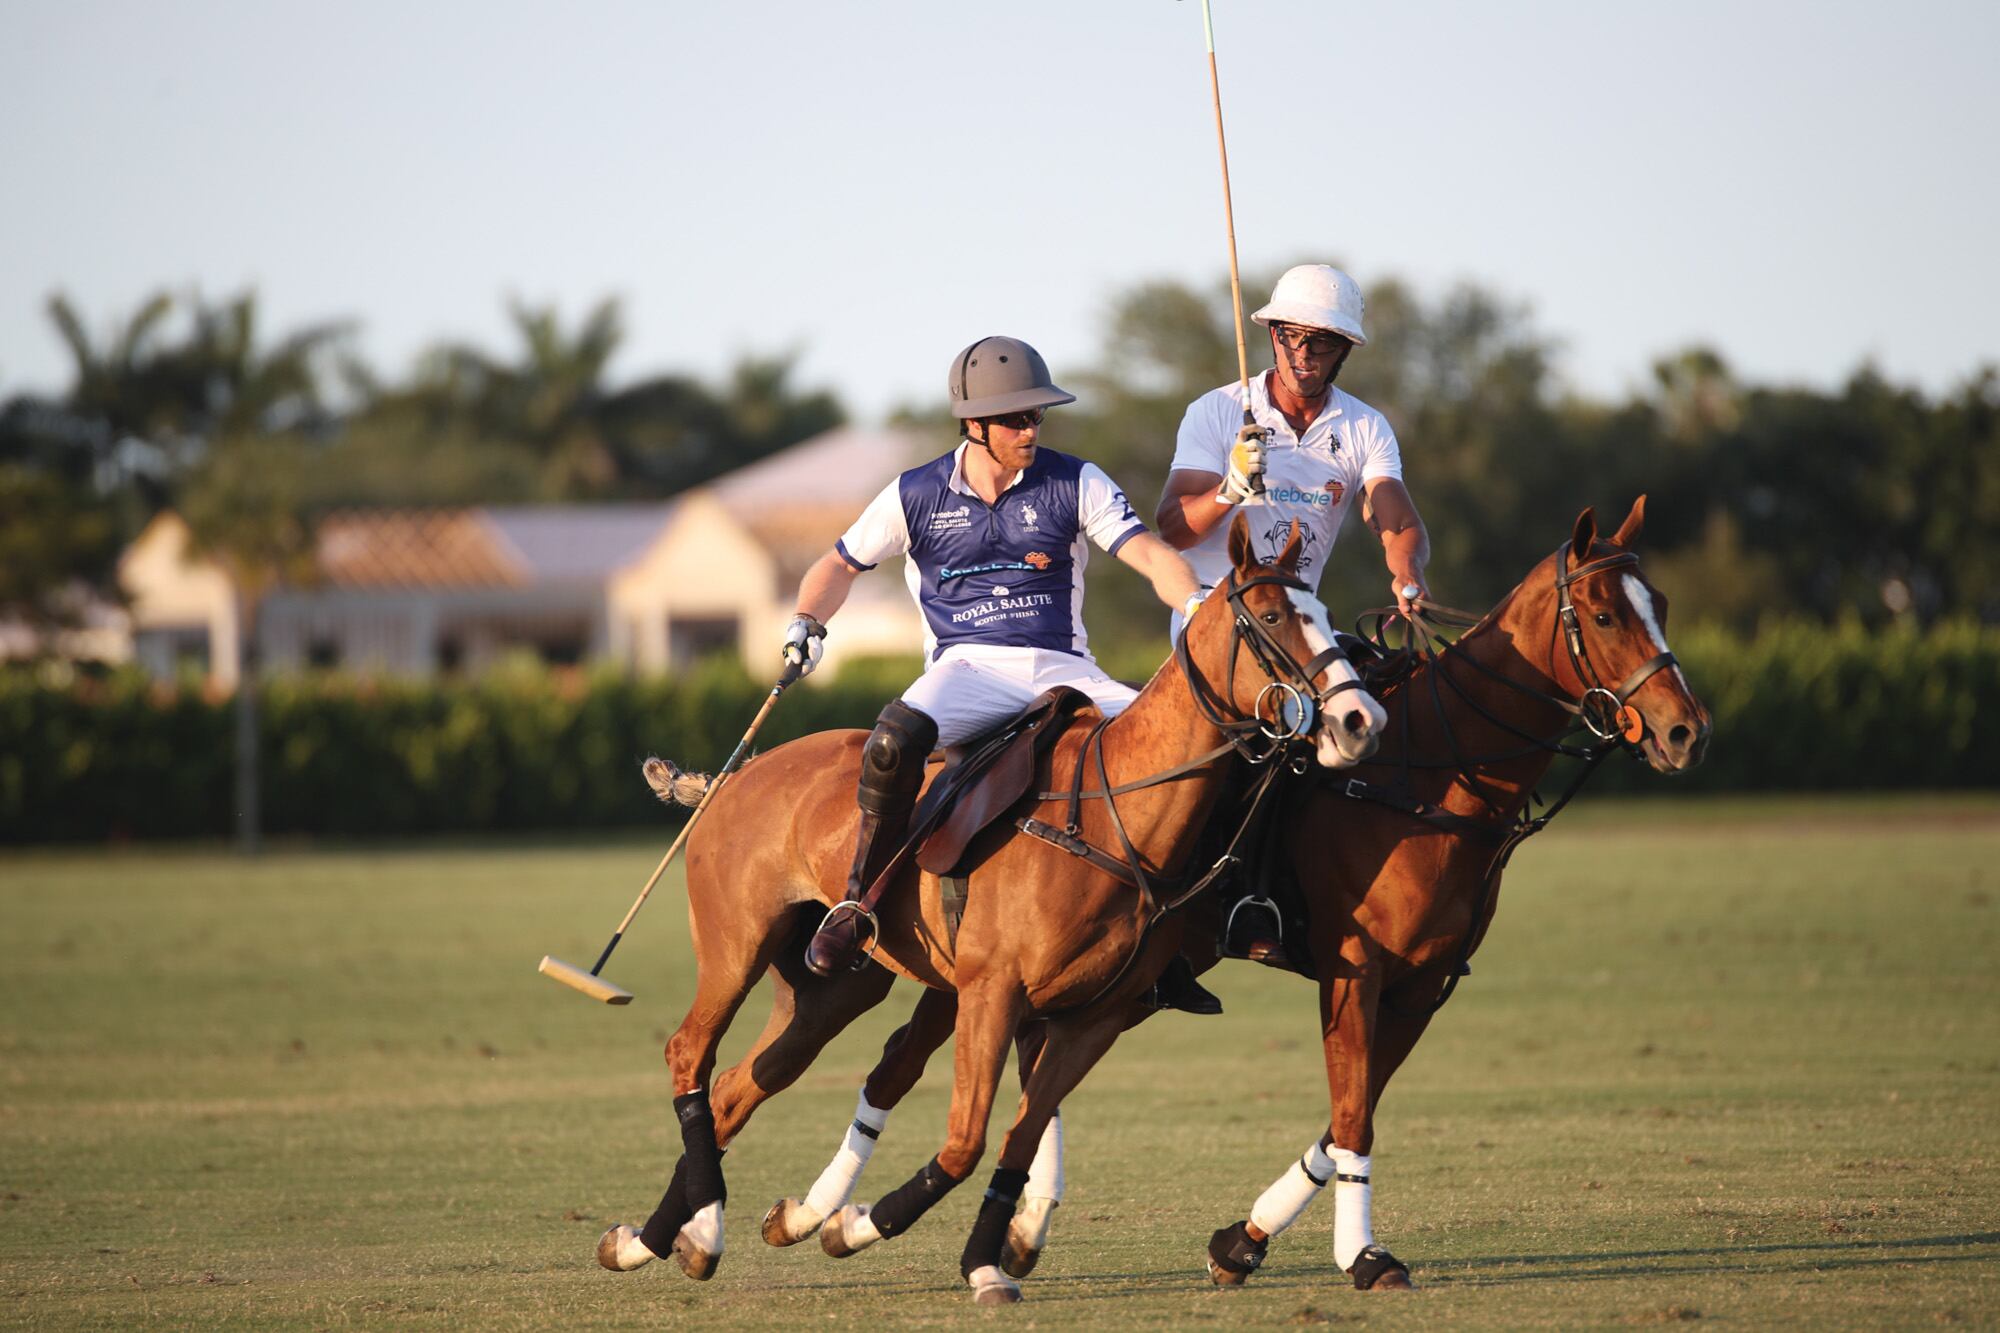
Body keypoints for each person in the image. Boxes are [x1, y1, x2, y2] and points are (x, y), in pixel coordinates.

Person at [786, 335, 1204, 980]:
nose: (1030, 428)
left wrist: (1198, 602)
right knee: (894, 739)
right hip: (967, 670)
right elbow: (838, 566)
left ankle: (1181, 925)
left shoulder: (1075, 479)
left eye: (1037, 415)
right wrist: (807, 622)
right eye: (1015, 418)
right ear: (973, 424)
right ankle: (856, 903)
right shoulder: (915, 493)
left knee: (1185, 746)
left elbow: (1148, 553)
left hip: (1064, 669)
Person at [1156, 263, 1430, 960]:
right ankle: (1229, 903)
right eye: (1292, 339)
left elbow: (1395, 515)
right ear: (1272, 334)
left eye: (1323, 344)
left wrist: (1406, 571)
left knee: (1377, 704)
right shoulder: (1219, 412)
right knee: (1279, 731)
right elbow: (1173, 526)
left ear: (1345, 350)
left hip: (1300, 621)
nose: (1304, 357)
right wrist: (1230, 486)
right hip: (1219, 615)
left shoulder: (1364, 428)